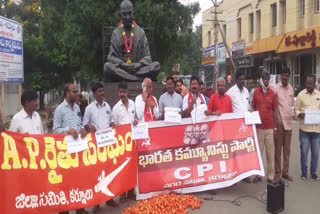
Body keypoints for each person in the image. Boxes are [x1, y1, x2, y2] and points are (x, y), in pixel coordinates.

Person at [103, 0, 160, 82]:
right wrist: (123, 65)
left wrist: (139, 64)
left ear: (134, 14)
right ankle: (138, 79)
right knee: (107, 67)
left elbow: (147, 57)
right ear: (120, 15)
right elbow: (111, 57)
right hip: (122, 69)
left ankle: (127, 78)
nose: (127, 17)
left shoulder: (141, 32)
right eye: (124, 14)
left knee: (156, 66)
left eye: (130, 13)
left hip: (138, 69)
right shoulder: (116, 33)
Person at [53, 83, 87, 214]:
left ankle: (80, 208)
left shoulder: (78, 108)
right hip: (65, 153)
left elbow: (79, 124)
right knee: (66, 183)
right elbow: (55, 131)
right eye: (74, 91)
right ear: (67, 93)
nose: (77, 93)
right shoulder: (60, 109)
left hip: (78, 151)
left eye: (76, 91)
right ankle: (64, 210)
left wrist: (82, 128)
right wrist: (68, 130)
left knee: (79, 181)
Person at [112, 81, 137, 203]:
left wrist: (136, 122)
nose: (122, 94)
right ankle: (122, 193)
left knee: (132, 167)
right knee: (123, 167)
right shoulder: (116, 108)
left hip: (133, 141)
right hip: (122, 143)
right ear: (118, 92)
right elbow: (114, 125)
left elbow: (136, 118)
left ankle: (131, 192)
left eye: (124, 92)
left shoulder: (133, 104)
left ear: (127, 92)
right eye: (120, 92)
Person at [252, 71, 277, 183]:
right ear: (261, 80)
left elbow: (275, 111)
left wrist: (275, 127)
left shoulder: (272, 93)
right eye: (264, 79)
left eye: (268, 79)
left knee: (270, 153)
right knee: (258, 153)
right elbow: (252, 108)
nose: (266, 81)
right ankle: (258, 174)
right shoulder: (256, 93)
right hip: (258, 128)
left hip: (270, 128)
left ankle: (271, 175)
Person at [295, 74, 320, 181]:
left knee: (315, 153)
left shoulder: (319, 94)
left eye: (311, 83)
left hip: (316, 130)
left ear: (315, 83)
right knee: (304, 152)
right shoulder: (300, 95)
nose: (308, 85)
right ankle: (304, 173)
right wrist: (300, 114)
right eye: (307, 83)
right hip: (304, 130)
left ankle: (313, 172)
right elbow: (296, 110)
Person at [272, 68, 294, 181]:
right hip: (279, 123)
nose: (285, 77)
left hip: (289, 124)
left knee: (287, 150)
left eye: (287, 75)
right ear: (281, 76)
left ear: (289, 76)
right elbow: (274, 108)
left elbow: (291, 106)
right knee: (278, 150)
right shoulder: (275, 89)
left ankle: (285, 172)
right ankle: (277, 172)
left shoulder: (291, 89)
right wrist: (275, 127)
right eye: (283, 75)